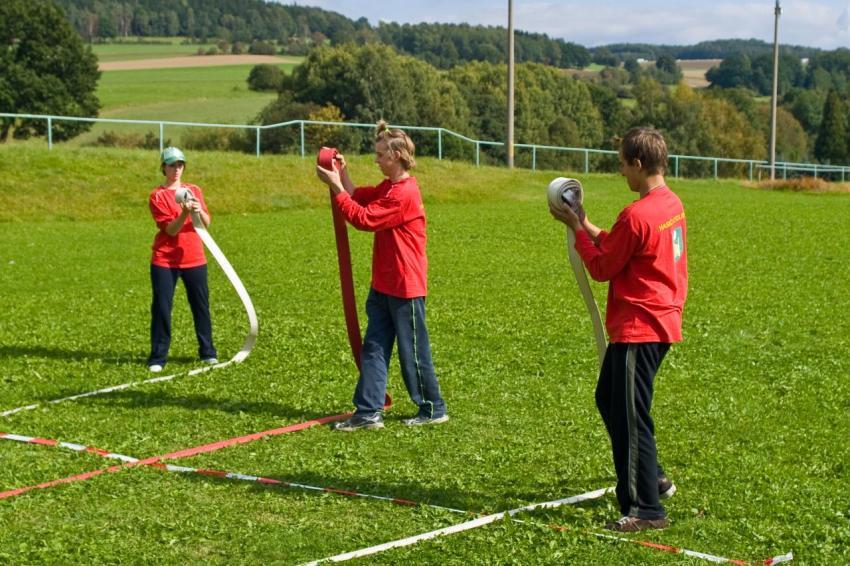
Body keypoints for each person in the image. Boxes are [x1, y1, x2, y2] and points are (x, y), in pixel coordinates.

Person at [549, 127, 688, 532]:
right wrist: (586, 222)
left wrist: (575, 230)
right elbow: (622, 246)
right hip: (659, 322)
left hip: (639, 328)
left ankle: (646, 508)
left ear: (639, 164)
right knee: (610, 399)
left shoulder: (637, 213)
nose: (622, 173)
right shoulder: (669, 204)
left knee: (630, 417)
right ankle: (654, 478)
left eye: (624, 165)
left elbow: (603, 267)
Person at [316, 121, 448, 431]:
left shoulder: (404, 193)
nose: (375, 160)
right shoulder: (388, 187)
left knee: (412, 352)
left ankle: (433, 408)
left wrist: (335, 186)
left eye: (380, 155)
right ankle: (368, 412)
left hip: (405, 287)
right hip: (384, 285)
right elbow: (357, 196)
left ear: (397, 155)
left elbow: (363, 218)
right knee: (373, 347)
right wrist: (342, 174)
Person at [146, 147, 218, 372]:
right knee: (162, 308)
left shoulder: (194, 189)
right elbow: (171, 230)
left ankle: (208, 353)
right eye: (171, 165)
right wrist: (184, 213)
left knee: (201, 306)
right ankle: (158, 358)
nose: (176, 169)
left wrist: (197, 210)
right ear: (163, 168)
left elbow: (206, 222)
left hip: (194, 258)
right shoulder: (157, 196)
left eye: (179, 165)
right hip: (165, 261)